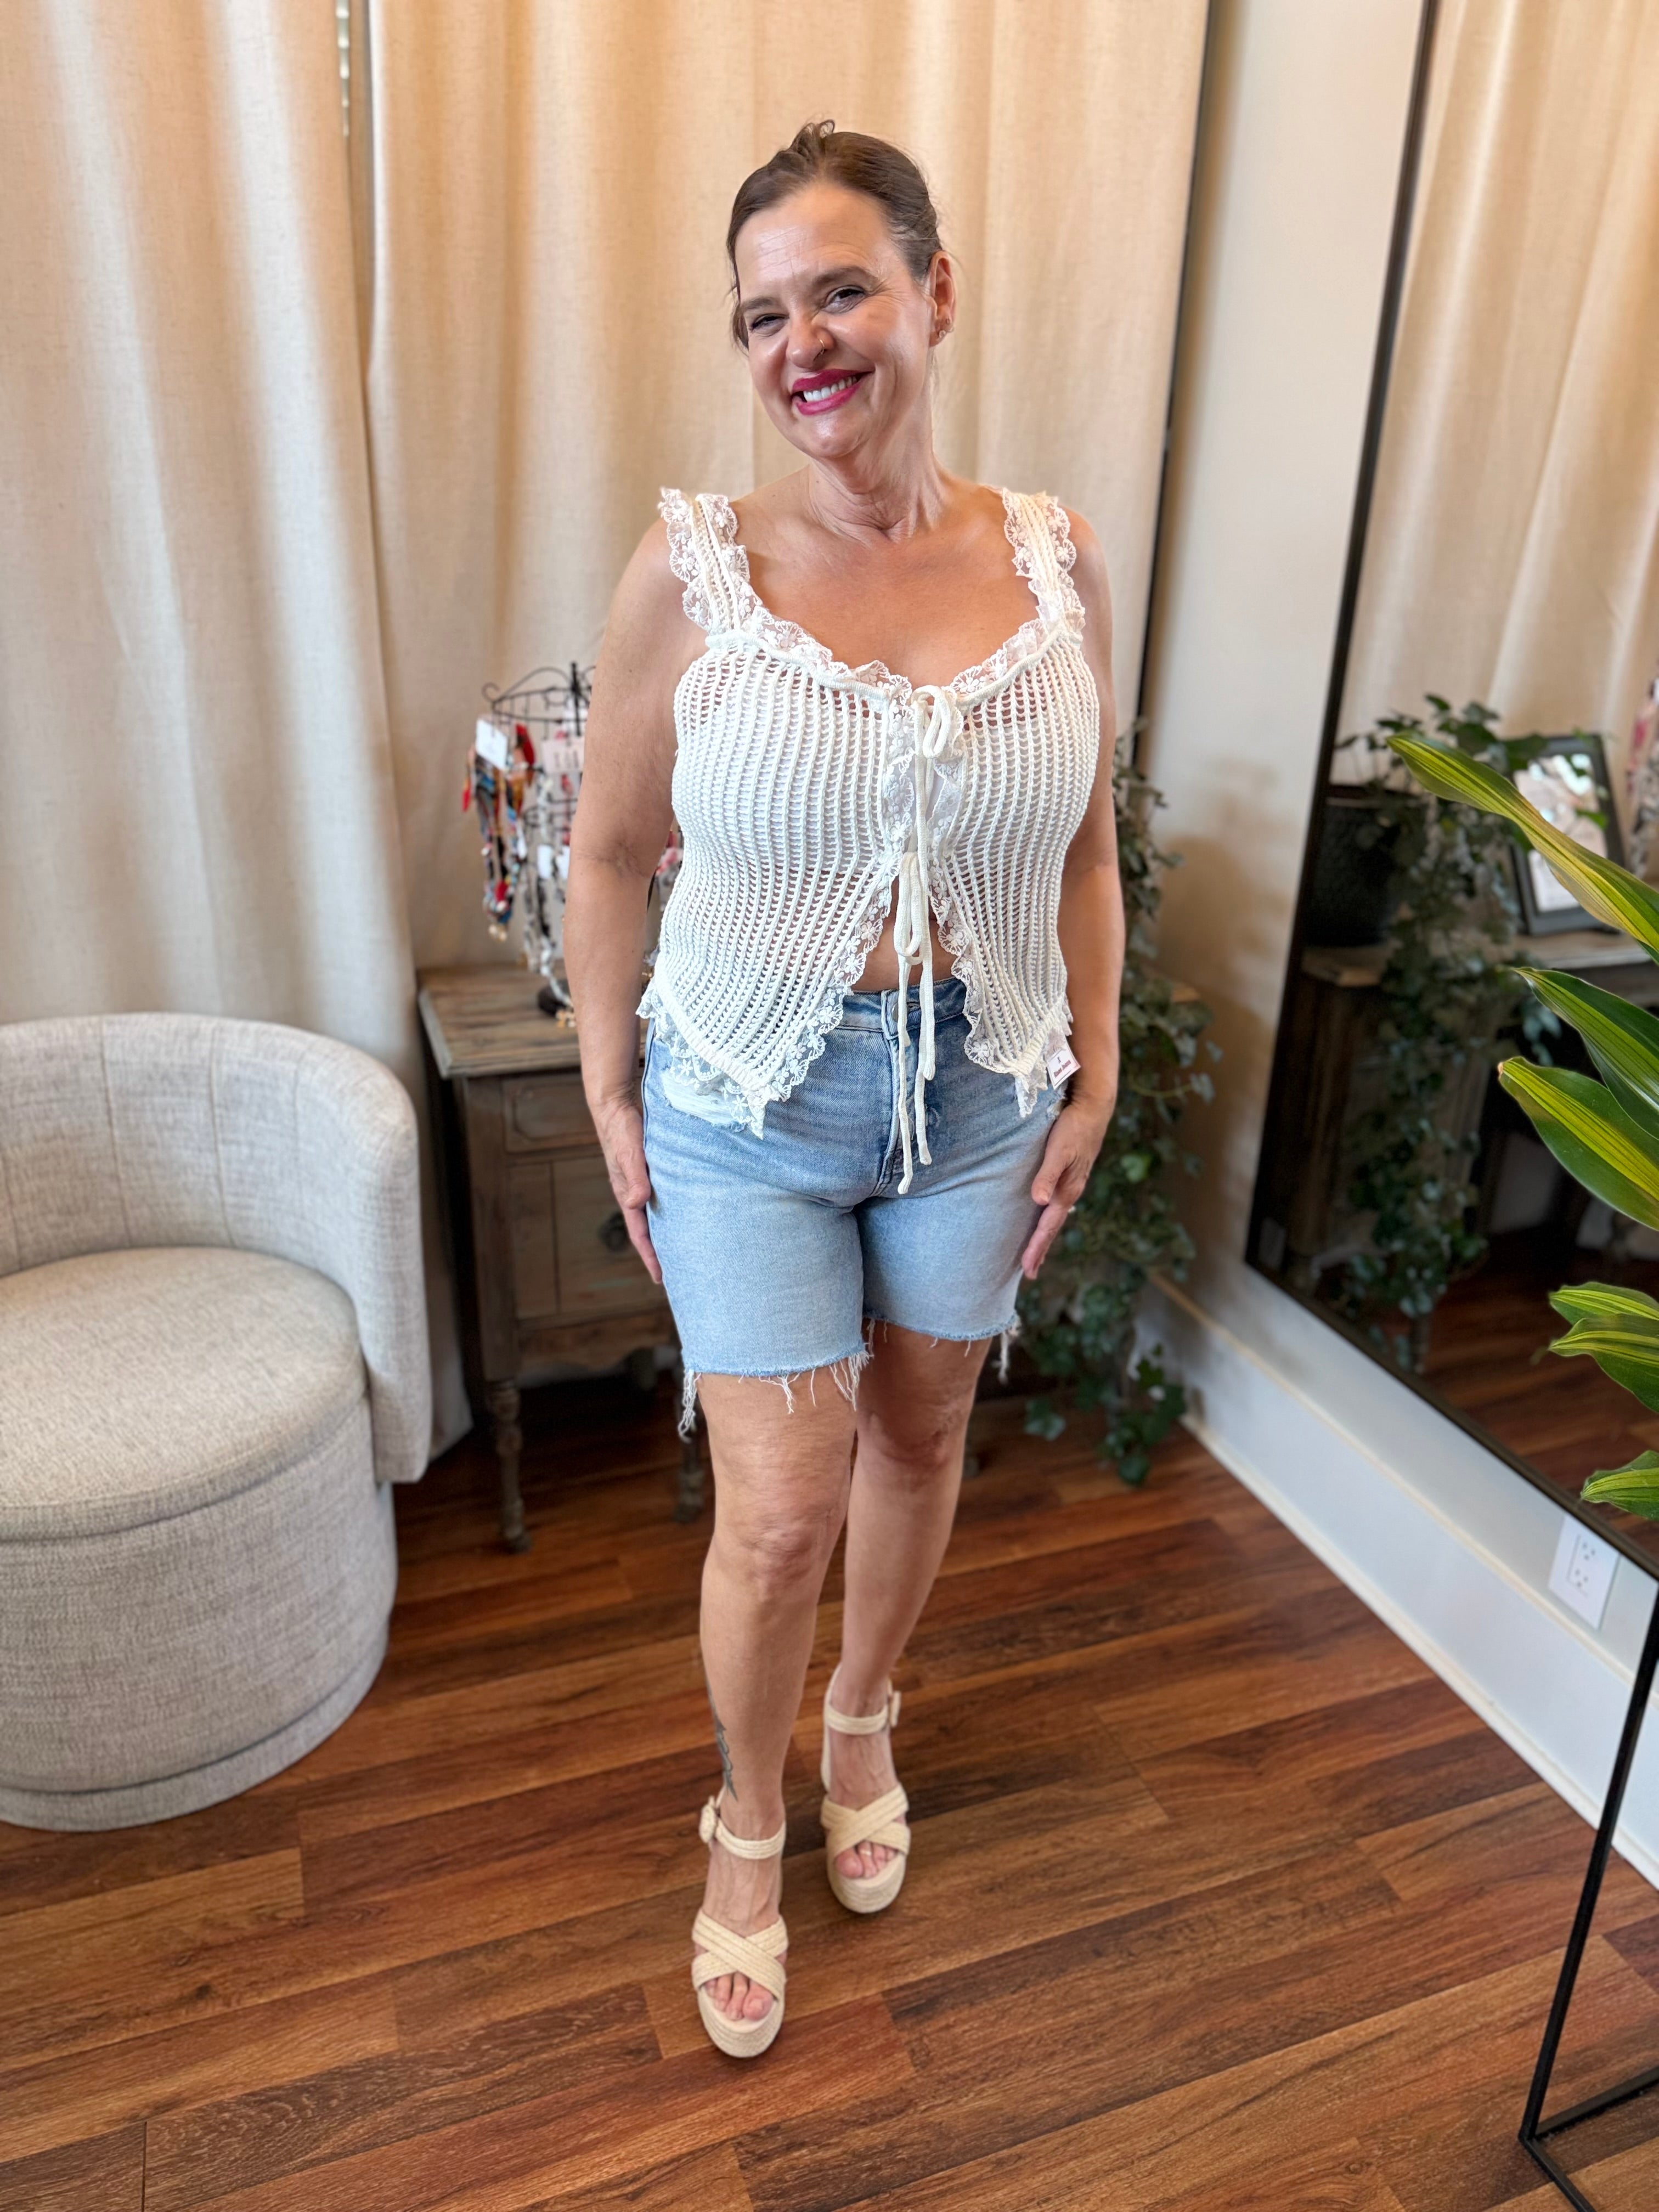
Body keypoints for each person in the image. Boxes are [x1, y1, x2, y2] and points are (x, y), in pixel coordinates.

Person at [564, 120, 1124, 2059]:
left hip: (979, 1083)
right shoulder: (693, 571)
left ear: (934, 294)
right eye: (762, 315)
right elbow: (612, 851)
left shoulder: (1053, 562)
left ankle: (864, 1719)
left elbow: (1084, 848)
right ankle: (744, 1818)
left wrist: (1095, 1061)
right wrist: (613, 1095)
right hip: (744, 1089)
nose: (803, 341)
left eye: (842, 290)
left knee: (921, 1433)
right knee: (781, 1506)